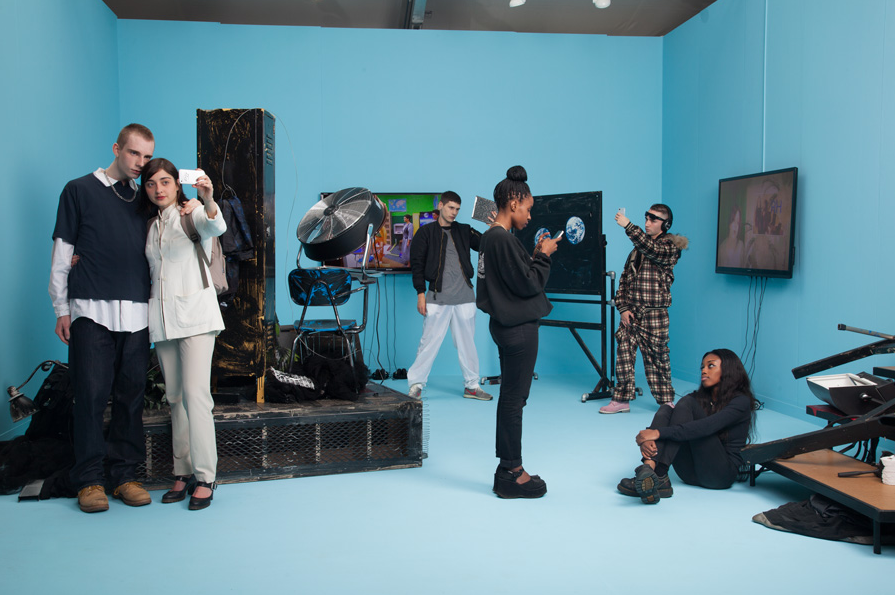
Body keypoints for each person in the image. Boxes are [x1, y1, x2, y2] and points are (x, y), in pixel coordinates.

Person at [50, 124, 156, 513]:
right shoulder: (78, 190)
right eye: (134, 153)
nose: (140, 163)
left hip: (137, 312)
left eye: (147, 157)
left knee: (131, 396)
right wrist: (61, 308)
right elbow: (63, 253)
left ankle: (125, 475)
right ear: (116, 148)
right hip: (90, 309)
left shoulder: (147, 198)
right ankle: (90, 480)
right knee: (91, 396)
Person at [139, 158, 226, 511]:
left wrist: (207, 198)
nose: (158, 189)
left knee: (195, 395)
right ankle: (183, 470)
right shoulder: (150, 226)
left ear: (177, 185)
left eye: (165, 182)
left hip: (196, 319)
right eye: (150, 184)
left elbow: (215, 225)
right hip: (163, 322)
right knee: (175, 397)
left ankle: (206, 476)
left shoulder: (192, 214)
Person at [476, 166, 561, 499]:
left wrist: (534, 255)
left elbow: (509, 280)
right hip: (519, 331)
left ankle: (507, 470)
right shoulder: (502, 239)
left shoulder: (490, 238)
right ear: (514, 202)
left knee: (510, 398)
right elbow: (529, 284)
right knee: (515, 400)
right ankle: (512, 472)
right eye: (528, 208)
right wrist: (544, 256)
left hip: (503, 326)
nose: (529, 215)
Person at [618, 349, 759, 504]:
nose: (704, 370)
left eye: (711, 366)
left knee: (687, 404)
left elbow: (707, 427)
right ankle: (652, 472)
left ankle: (657, 473)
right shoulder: (700, 398)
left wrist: (656, 433)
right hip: (689, 473)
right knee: (666, 409)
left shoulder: (741, 401)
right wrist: (648, 439)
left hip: (719, 475)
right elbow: (675, 424)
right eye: (702, 367)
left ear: (728, 370)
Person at [600, 204, 689, 414]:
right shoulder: (635, 251)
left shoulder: (670, 248)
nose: (648, 223)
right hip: (632, 314)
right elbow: (624, 281)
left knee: (657, 358)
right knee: (623, 356)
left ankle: (666, 402)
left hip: (654, 314)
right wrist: (623, 308)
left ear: (666, 225)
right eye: (646, 218)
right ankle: (621, 400)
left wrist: (628, 225)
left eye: (653, 219)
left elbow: (652, 249)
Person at [407, 191, 493, 401]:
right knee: (428, 343)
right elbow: (417, 264)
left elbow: (485, 244)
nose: (454, 212)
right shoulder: (425, 233)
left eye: (457, 209)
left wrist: (494, 227)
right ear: (441, 206)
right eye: (451, 208)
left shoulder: (464, 230)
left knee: (467, 344)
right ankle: (416, 384)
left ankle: (472, 386)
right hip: (437, 297)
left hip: (465, 297)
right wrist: (420, 293)